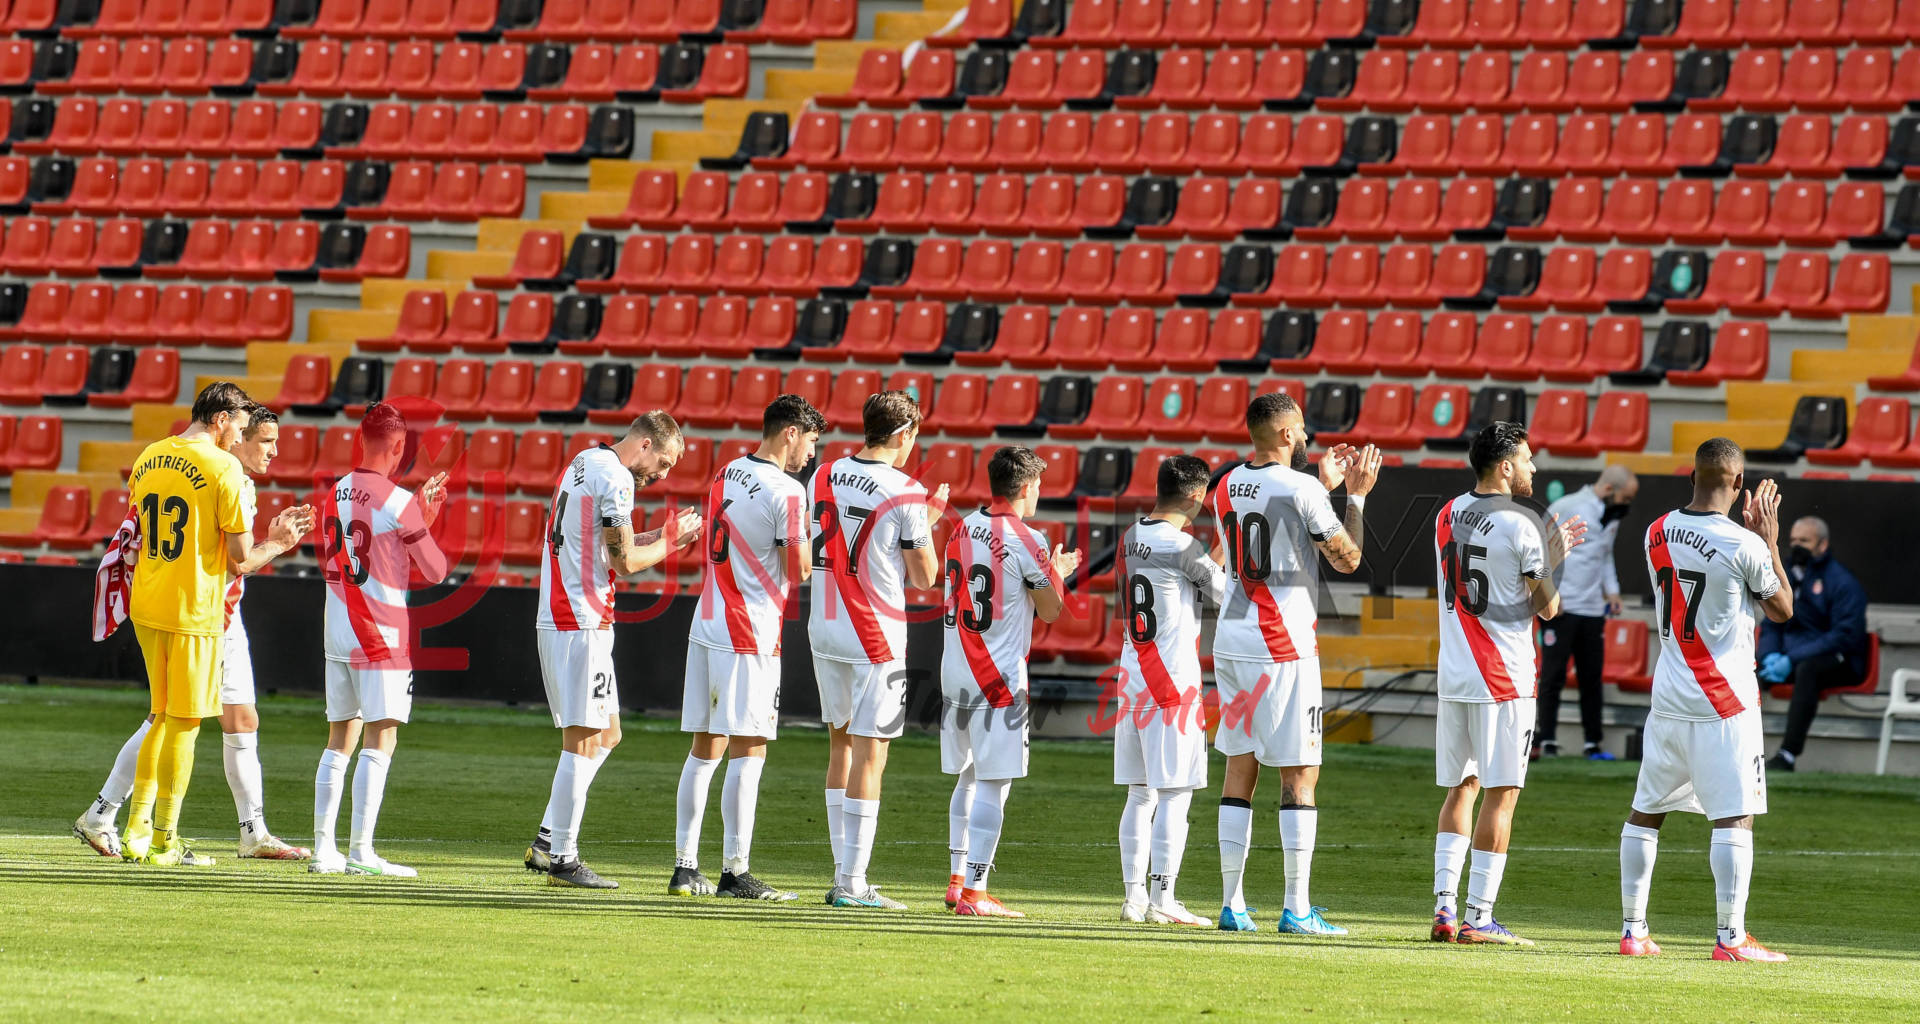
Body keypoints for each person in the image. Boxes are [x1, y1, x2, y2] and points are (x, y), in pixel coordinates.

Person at [74, 402, 312, 861]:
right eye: (263, 439)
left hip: (219, 612)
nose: (273, 452)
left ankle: (252, 833)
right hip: (205, 616)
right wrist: (277, 544)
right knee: (168, 719)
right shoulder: (223, 476)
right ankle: (115, 817)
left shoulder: (210, 473)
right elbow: (228, 565)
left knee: (239, 720)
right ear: (234, 435)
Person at [1618, 438, 1794, 962]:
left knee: (1645, 811)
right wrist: (1770, 541)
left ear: (1690, 475)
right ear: (1738, 484)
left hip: (1669, 696)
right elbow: (1783, 610)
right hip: (1725, 702)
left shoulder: (1655, 532)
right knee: (1735, 816)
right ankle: (1730, 938)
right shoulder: (1745, 544)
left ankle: (1633, 931)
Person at [1211, 393, 1379, 936]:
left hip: (1232, 637)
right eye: (1301, 430)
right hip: (1281, 644)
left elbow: (1270, 509)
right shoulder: (1303, 487)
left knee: (1240, 767)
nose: (1307, 437)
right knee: (1300, 774)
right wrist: (1353, 498)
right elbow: (1348, 557)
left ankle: (1233, 905)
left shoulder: (1225, 486)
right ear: (1285, 434)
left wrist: (1320, 485)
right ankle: (1297, 908)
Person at [528, 411, 700, 889]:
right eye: (663, 462)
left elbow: (606, 545)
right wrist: (668, 542)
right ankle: (562, 857)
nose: (662, 475)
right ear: (644, 444)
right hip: (578, 618)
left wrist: (666, 536)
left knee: (607, 734)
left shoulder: (586, 459)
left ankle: (547, 839)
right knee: (583, 739)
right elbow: (624, 563)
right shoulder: (617, 477)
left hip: (571, 614)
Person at [1430, 422, 1585, 946]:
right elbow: (1547, 609)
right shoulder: (1522, 525)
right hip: (1502, 677)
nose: (1534, 468)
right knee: (1502, 794)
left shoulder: (1446, 513)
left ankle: (1445, 910)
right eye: (1527, 459)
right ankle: (1479, 918)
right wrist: (1553, 556)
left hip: (1454, 673)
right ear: (1505, 467)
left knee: (1461, 787)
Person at [667, 399, 814, 902]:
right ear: (791, 433)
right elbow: (799, 571)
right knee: (750, 748)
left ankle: (686, 867)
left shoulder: (728, 469)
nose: (811, 454)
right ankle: (735, 870)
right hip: (749, 630)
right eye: (811, 441)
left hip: (707, 619)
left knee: (705, 749)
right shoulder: (788, 492)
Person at [809, 391, 947, 910]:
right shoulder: (907, 490)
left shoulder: (822, 475)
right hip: (874, 634)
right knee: (873, 754)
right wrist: (927, 522)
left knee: (839, 746)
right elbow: (925, 576)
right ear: (903, 435)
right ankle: (852, 882)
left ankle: (843, 873)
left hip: (824, 624)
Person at [309, 402, 449, 877]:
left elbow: (333, 563)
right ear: (398, 446)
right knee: (380, 736)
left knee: (338, 737)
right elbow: (436, 569)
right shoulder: (398, 501)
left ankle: (322, 850)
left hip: (338, 626)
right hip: (381, 634)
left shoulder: (335, 493)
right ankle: (361, 851)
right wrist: (423, 518)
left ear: (360, 440)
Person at [942, 447, 1080, 919]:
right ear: (1024, 488)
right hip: (996, 673)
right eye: (1038, 486)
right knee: (994, 782)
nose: (1039, 493)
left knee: (969, 774)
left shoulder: (962, 525)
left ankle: (958, 879)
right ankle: (976, 894)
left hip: (955, 665)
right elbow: (1050, 610)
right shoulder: (1027, 537)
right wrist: (1058, 575)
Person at [1113, 455, 1227, 927]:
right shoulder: (1184, 547)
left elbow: (1193, 577)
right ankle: (1165, 897)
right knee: (1177, 794)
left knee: (1140, 794)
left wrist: (1211, 550)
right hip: (1172, 684)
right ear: (1197, 496)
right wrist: (1223, 547)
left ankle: (1133, 898)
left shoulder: (1132, 535)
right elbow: (1221, 593)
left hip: (1132, 677)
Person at [1535, 465, 1639, 761]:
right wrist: (1550, 593)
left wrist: (1613, 590)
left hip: (1593, 609)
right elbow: (1541, 551)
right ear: (1609, 490)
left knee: (1592, 678)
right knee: (1553, 676)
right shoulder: (1567, 507)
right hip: (1562, 608)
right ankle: (1548, 739)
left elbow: (1605, 556)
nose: (1626, 505)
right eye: (1625, 498)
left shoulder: (1611, 516)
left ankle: (1593, 742)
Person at [1759, 516, 1869, 772]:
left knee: (1807, 670)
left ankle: (1787, 755)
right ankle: (1736, 752)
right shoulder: (1786, 576)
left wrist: (1792, 659)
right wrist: (1769, 655)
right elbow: (1772, 623)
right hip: (1792, 658)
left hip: (1840, 660)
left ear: (1822, 545)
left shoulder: (1842, 581)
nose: (1797, 546)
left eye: (1804, 541)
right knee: (1747, 674)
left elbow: (1844, 635)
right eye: (1793, 540)